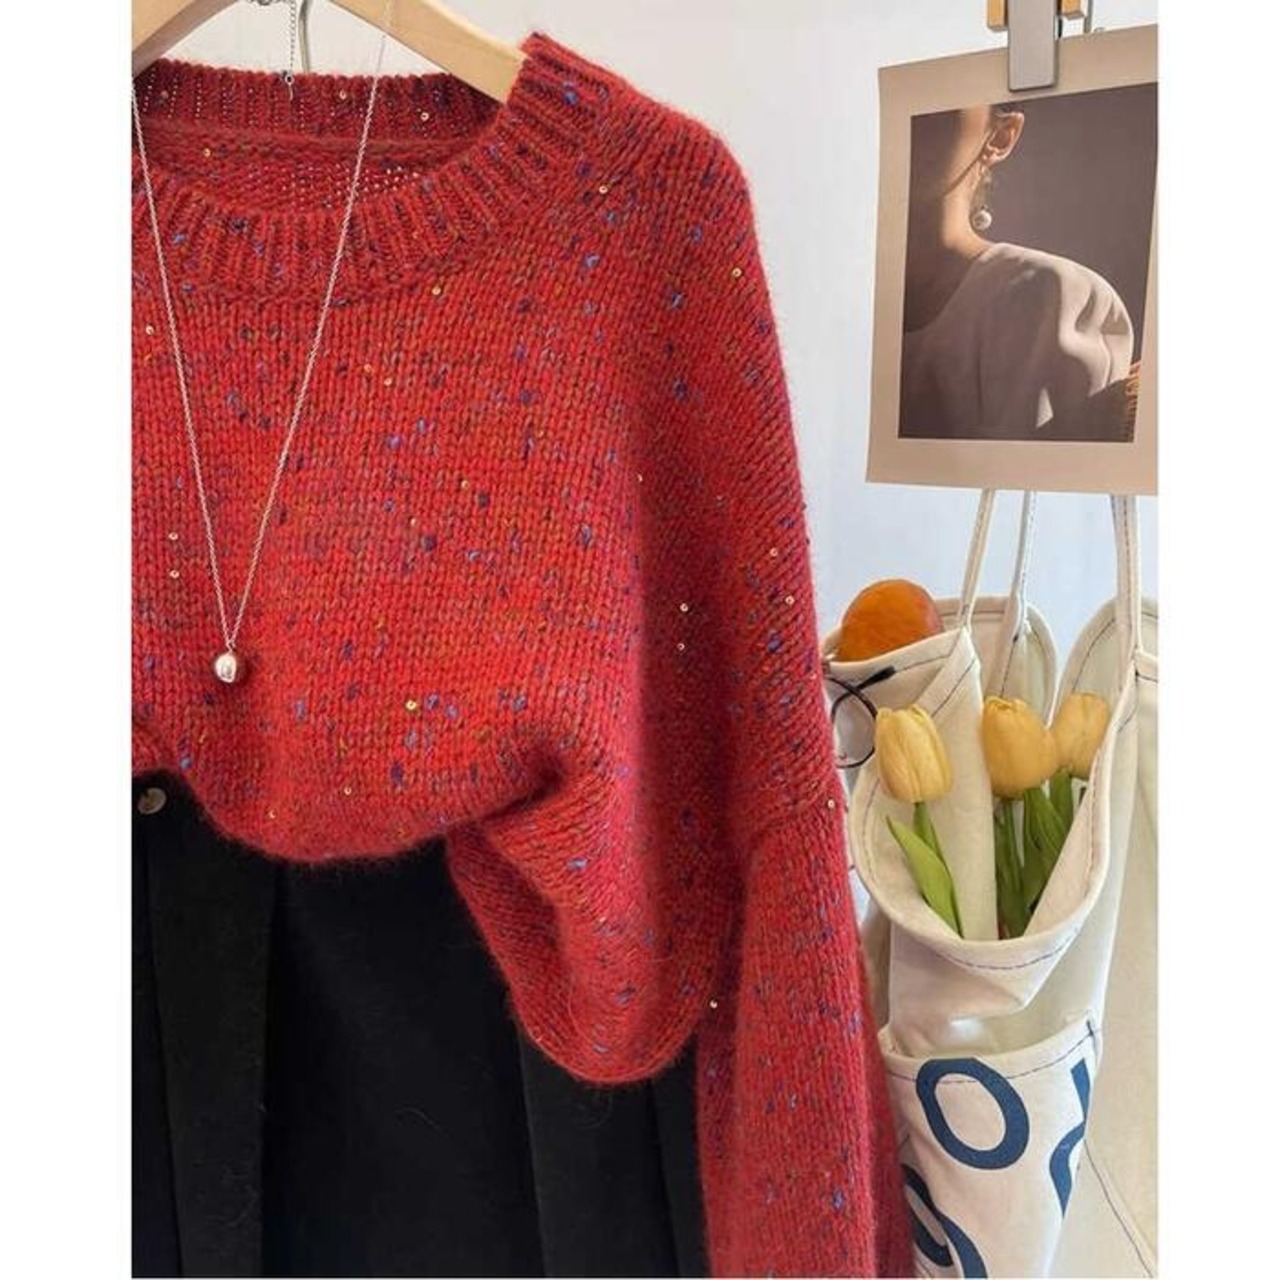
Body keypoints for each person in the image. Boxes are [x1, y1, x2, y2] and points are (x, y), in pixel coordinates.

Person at [900, 103, 1135, 442]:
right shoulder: (849, 303)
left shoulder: (1046, 296)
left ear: (1000, 135)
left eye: (941, 102)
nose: (915, 121)